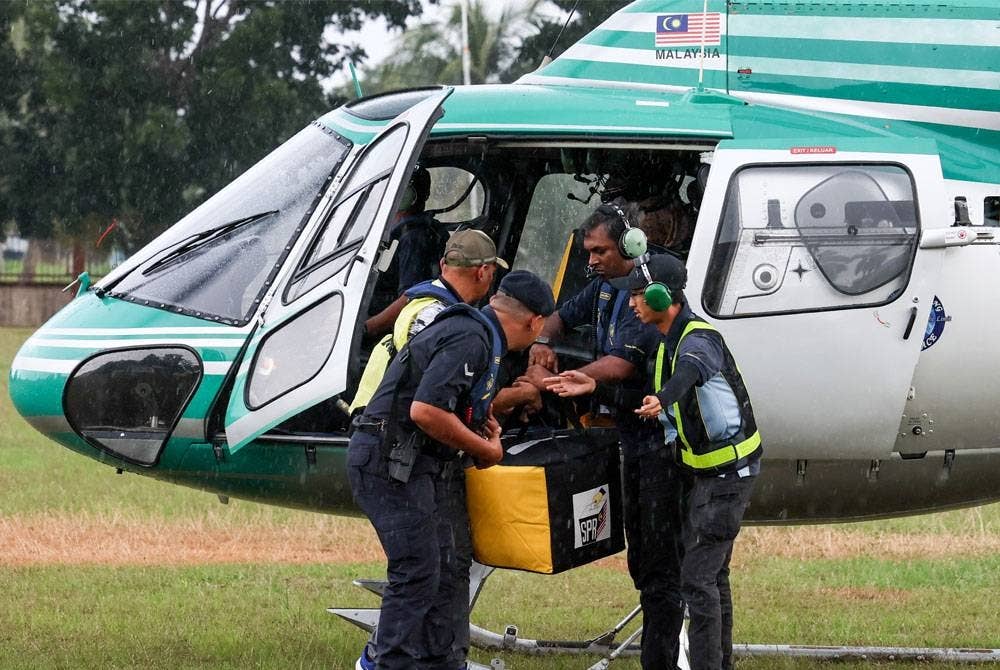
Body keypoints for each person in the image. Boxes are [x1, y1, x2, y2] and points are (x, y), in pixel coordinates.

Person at [547, 254, 762, 670]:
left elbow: (690, 374)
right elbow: (640, 402)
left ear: (664, 297)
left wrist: (664, 397)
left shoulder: (697, 340)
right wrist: (594, 386)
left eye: (639, 296)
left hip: (727, 477)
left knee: (697, 581)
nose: (631, 304)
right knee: (712, 578)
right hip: (707, 476)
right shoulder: (665, 342)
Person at [348, 270, 555, 670]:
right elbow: (425, 411)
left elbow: (450, 407)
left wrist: (479, 427)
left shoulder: (482, 336)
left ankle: (439, 661)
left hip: (416, 462)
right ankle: (379, 663)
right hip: (388, 460)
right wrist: (486, 450)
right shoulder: (471, 338)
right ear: (535, 322)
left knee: (448, 564)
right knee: (418, 570)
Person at [526, 202, 684, 670]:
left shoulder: (648, 296)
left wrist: (576, 378)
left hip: (659, 446)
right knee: (643, 560)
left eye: (599, 251)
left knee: (659, 566)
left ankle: (663, 658)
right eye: (587, 250)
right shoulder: (601, 286)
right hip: (630, 440)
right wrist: (542, 344)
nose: (589, 260)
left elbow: (623, 363)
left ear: (631, 247)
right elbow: (558, 316)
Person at [351, 229, 508, 413]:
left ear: (443, 264)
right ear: (482, 272)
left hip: (372, 416)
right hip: (391, 425)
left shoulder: (421, 296)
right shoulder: (442, 318)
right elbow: (430, 400)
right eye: (493, 273)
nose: (491, 280)